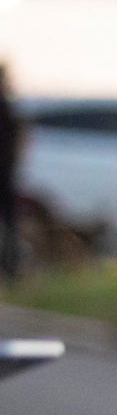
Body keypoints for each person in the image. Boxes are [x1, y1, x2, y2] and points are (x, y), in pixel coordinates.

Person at [0, 63, 23, 280]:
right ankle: (10, 267)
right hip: (6, 172)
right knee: (9, 222)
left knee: (9, 223)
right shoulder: (7, 107)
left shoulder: (7, 107)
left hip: (6, 172)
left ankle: (10, 267)